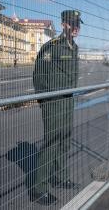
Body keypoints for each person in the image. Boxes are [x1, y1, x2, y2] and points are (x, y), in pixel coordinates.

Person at [31, 10, 82, 205]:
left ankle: (60, 178)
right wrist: (45, 101)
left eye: (78, 23)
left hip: (68, 100)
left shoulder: (74, 47)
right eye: (72, 23)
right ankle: (39, 189)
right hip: (53, 102)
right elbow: (39, 77)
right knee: (51, 141)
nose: (76, 27)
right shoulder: (52, 46)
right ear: (63, 24)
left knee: (65, 140)